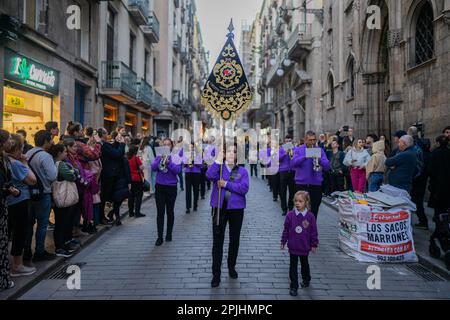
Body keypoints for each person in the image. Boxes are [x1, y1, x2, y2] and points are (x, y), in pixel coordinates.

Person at [207, 144, 249, 288]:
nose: (231, 154)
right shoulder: (218, 169)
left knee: (234, 240)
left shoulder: (242, 171)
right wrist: (218, 160)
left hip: (237, 209)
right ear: (224, 153)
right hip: (219, 208)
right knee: (218, 242)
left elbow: (244, 188)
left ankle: (232, 267)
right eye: (228, 151)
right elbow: (209, 176)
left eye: (234, 151)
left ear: (238, 155)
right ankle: (216, 274)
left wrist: (226, 184)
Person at [5, 134, 37, 277]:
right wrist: (25, 163)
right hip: (19, 201)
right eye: (22, 147)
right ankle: (17, 265)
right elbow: (32, 180)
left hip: (9, 202)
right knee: (20, 232)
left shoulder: (5, 161)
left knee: (10, 232)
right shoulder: (16, 163)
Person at [24, 130, 58, 262]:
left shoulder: (29, 153)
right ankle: (39, 251)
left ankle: (26, 250)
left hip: (29, 193)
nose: (52, 142)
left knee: (29, 223)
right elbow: (52, 176)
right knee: (42, 224)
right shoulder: (45, 156)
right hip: (43, 193)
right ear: (45, 141)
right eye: (50, 139)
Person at [281, 191, 318, 296]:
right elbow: (286, 230)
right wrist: (283, 241)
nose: (297, 203)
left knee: (304, 264)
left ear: (306, 202)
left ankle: (306, 279)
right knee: (293, 266)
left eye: (300, 201)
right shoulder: (290, 215)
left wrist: (314, 244)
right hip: (293, 246)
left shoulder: (310, 216)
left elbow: (313, 231)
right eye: (296, 201)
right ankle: (294, 286)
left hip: (304, 247)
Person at [48, 143, 79, 257]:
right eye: (65, 152)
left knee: (64, 222)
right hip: (62, 198)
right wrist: (75, 172)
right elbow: (72, 175)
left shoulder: (59, 163)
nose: (67, 153)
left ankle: (63, 245)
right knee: (61, 223)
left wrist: (74, 172)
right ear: (59, 153)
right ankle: (60, 247)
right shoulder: (60, 164)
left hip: (62, 198)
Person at [291, 131, 331, 218]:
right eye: (310, 140)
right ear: (305, 140)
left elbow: (328, 166)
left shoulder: (319, 150)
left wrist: (320, 160)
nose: (312, 142)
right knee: (301, 211)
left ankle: (311, 230)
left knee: (314, 211)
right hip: (301, 185)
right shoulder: (299, 149)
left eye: (314, 140)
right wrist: (305, 156)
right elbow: (293, 163)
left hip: (316, 185)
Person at [0, 130, 21, 291]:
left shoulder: (5, 158)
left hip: (3, 205)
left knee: (3, 242)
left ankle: (4, 279)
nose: (11, 142)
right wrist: (8, 189)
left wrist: (8, 188)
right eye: (8, 140)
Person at [151, 138, 182, 246]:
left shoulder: (176, 156)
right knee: (160, 213)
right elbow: (153, 168)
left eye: (168, 144)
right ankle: (159, 237)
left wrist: (169, 163)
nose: (166, 146)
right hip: (160, 187)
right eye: (164, 144)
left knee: (170, 211)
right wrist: (159, 159)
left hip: (171, 187)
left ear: (172, 146)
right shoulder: (159, 155)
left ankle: (169, 234)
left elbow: (178, 171)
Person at [98, 128, 129, 226]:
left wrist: (118, 142)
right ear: (103, 134)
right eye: (106, 133)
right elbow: (116, 153)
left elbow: (116, 151)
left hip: (113, 174)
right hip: (108, 174)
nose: (108, 134)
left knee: (111, 196)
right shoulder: (104, 145)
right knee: (104, 197)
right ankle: (101, 217)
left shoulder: (107, 144)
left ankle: (109, 215)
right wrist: (122, 144)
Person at [428, 135, 450, 226]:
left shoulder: (434, 153)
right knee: (446, 207)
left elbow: (430, 170)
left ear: (437, 143)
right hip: (448, 185)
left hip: (437, 186)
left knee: (438, 208)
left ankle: (440, 228)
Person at [127, 145, 146, 218]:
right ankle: (137, 212)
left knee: (131, 196)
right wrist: (138, 169)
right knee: (138, 196)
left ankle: (131, 212)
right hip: (137, 178)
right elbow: (142, 167)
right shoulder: (136, 158)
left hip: (129, 179)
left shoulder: (127, 158)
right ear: (135, 151)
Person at [279, 135, 295, 216]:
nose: (288, 142)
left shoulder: (294, 149)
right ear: (284, 142)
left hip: (292, 171)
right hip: (283, 171)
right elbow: (278, 158)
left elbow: (296, 158)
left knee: (292, 191)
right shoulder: (281, 149)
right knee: (283, 191)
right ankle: (284, 209)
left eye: (289, 141)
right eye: (286, 141)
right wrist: (285, 153)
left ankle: (290, 206)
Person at [184, 143, 202, 214]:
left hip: (196, 173)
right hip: (188, 172)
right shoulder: (186, 154)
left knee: (196, 190)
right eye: (190, 147)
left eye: (192, 147)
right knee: (188, 191)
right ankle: (188, 207)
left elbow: (201, 164)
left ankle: (195, 205)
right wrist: (187, 160)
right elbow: (184, 164)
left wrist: (194, 160)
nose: (191, 149)